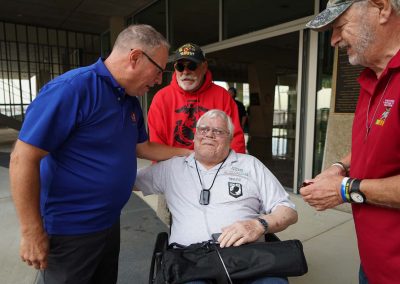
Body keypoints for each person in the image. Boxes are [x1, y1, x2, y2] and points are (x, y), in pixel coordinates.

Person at [9, 24, 191, 284]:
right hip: (70, 229)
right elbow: (22, 158)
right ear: (135, 57)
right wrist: (31, 231)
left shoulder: (129, 100)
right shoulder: (73, 89)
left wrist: (190, 153)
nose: (159, 80)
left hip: (108, 224)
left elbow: (143, 147)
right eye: (159, 70)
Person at [136, 109, 298, 284]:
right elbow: (125, 181)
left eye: (218, 131)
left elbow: (288, 211)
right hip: (189, 261)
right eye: (203, 129)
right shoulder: (171, 168)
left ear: (230, 138)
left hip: (246, 258)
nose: (209, 135)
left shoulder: (250, 165)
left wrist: (259, 225)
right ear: (195, 136)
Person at [300, 1, 400, 283]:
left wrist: (345, 189)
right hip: (371, 262)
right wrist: (337, 167)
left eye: (340, 27)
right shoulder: (371, 79)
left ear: (381, 8)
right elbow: (371, 146)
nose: (333, 41)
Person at [147, 43, 245, 153]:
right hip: (173, 165)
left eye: (192, 66)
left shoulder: (222, 96)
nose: (185, 71)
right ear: (175, 68)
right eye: (180, 67)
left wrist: (235, 168)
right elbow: (156, 145)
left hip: (215, 166)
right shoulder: (161, 98)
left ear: (204, 67)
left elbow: (235, 139)